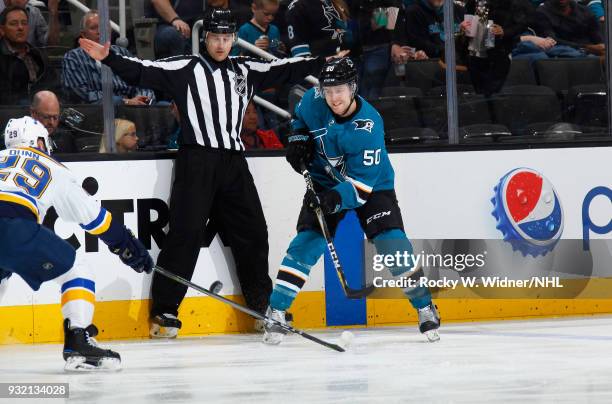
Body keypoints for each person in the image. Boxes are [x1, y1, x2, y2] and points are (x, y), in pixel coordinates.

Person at [79, 8, 343, 338]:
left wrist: (324, 61)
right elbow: (142, 71)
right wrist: (110, 59)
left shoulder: (245, 69)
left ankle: (262, 306)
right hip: (197, 160)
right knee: (184, 235)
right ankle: (164, 311)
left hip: (234, 162)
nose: (221, 44)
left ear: (234, 38)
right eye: (215, 38)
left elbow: (285, 70)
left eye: (226, 38)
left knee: (254, 232)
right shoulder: (185, 67)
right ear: (205, 38)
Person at [262, 57, 440, 345]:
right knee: (307, 243)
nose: (333, 97)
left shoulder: (368, 126)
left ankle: (424, 306)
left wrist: (331, 199)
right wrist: (296, 138)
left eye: (340, 90)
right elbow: (300, 120)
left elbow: (359, 190)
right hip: (324, 181)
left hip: (371, 186)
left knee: (391, 244)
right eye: (328, 90)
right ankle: (277, 310)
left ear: (353, 88)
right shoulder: (312, 100)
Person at [0, 116, 153, 370]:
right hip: (13, 226)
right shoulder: (51, 165)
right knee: (78, 269)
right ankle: (78, 340)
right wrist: (127, 246)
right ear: (39, 141)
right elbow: (95, 220)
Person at [61, 10, 155, 105]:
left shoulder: (122, 52)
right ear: (83, 35)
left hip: (134, 106)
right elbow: (80, 94)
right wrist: (125, 102)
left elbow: (142, 80)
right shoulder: (73, 57)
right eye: (93, 28)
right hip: (99, 110)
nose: (100, 31)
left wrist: (143, 99)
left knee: (163, 105)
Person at [0, 6, 59, 105]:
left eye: (24, 23)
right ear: (2, 30)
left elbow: (56, 87)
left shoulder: (39, 56)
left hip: (43, 113)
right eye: (13, 24)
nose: (20, 28)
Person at [535, 0, 604, 57]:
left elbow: (597, 37)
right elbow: (552, 40)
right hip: (562, 53)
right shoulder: (542, 12)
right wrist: (587, 48)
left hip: (593, 51)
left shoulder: (585, 11)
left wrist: (601, 48)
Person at [286, 0, 353, 57]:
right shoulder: (297, 6)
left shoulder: (336, 3)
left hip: (348, 60)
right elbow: (298, 46)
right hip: (320, 65)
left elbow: (348, 36)